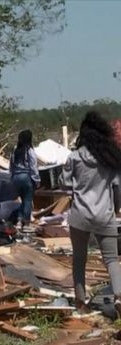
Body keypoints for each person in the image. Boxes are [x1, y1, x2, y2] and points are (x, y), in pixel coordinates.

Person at [59, 111, 121, 317]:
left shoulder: (74, 157)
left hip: (79, 216)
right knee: (111, 259)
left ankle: (80, 301)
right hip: (105, 214)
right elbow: (117, 189)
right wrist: (116, 209)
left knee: (79, 258)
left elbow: (65, 184)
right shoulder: (110, 159)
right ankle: (119, 296)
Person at [9, 129, 40, 230]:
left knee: (21, 200)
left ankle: (18, 221)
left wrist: (11, 177)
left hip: (15, 177)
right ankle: (26, 223)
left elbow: (11, 165)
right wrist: (37, 180)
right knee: (27, 200)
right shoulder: (29, 151)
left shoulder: (15, 150)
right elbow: (33, 166)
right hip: (26, 177)